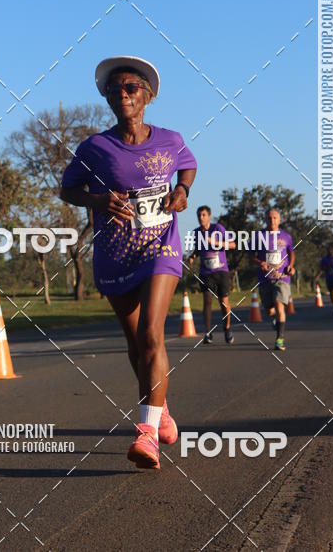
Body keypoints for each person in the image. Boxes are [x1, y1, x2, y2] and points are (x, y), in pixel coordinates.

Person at [60, 55, 197, 470]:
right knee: (137, 344)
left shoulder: (170, 140)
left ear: (148, 95)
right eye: (115, 89)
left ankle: (147, 435)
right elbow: (69, 189)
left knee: (153, 335)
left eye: (131, 88)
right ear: (107, 98)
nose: (123, 94)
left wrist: (182, 191)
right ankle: (162, 409)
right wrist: (98, 199)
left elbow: (188, 166)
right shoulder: (95, 148)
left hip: (161, 247)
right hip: (115, 252)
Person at [188, 205, 236, 345]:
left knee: (223, 303)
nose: (201, 218)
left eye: (203, 215)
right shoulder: (196, 233)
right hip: (206, 272)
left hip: (221, 272)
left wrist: (215, 242)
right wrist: (193, 256)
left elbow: (232, 245)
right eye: (199, 215)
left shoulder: (218, 228)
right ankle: (208, 333)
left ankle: (227, 329)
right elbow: (198, 249)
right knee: (207, 302)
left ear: (209, 216)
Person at [251, 208, 295, 351]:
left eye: (275, 218)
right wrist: (260, 263)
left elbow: (291, 253)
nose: (272, 221)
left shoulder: (286, 236)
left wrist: (291, 266)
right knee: (269, 311)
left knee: (279, 304)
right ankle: (276, 320)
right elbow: (252, 256)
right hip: (265, 279)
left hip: (282, 278)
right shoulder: (259, 236)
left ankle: (279, 339)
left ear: (279, 219)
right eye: (269, 218)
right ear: (265, 220)